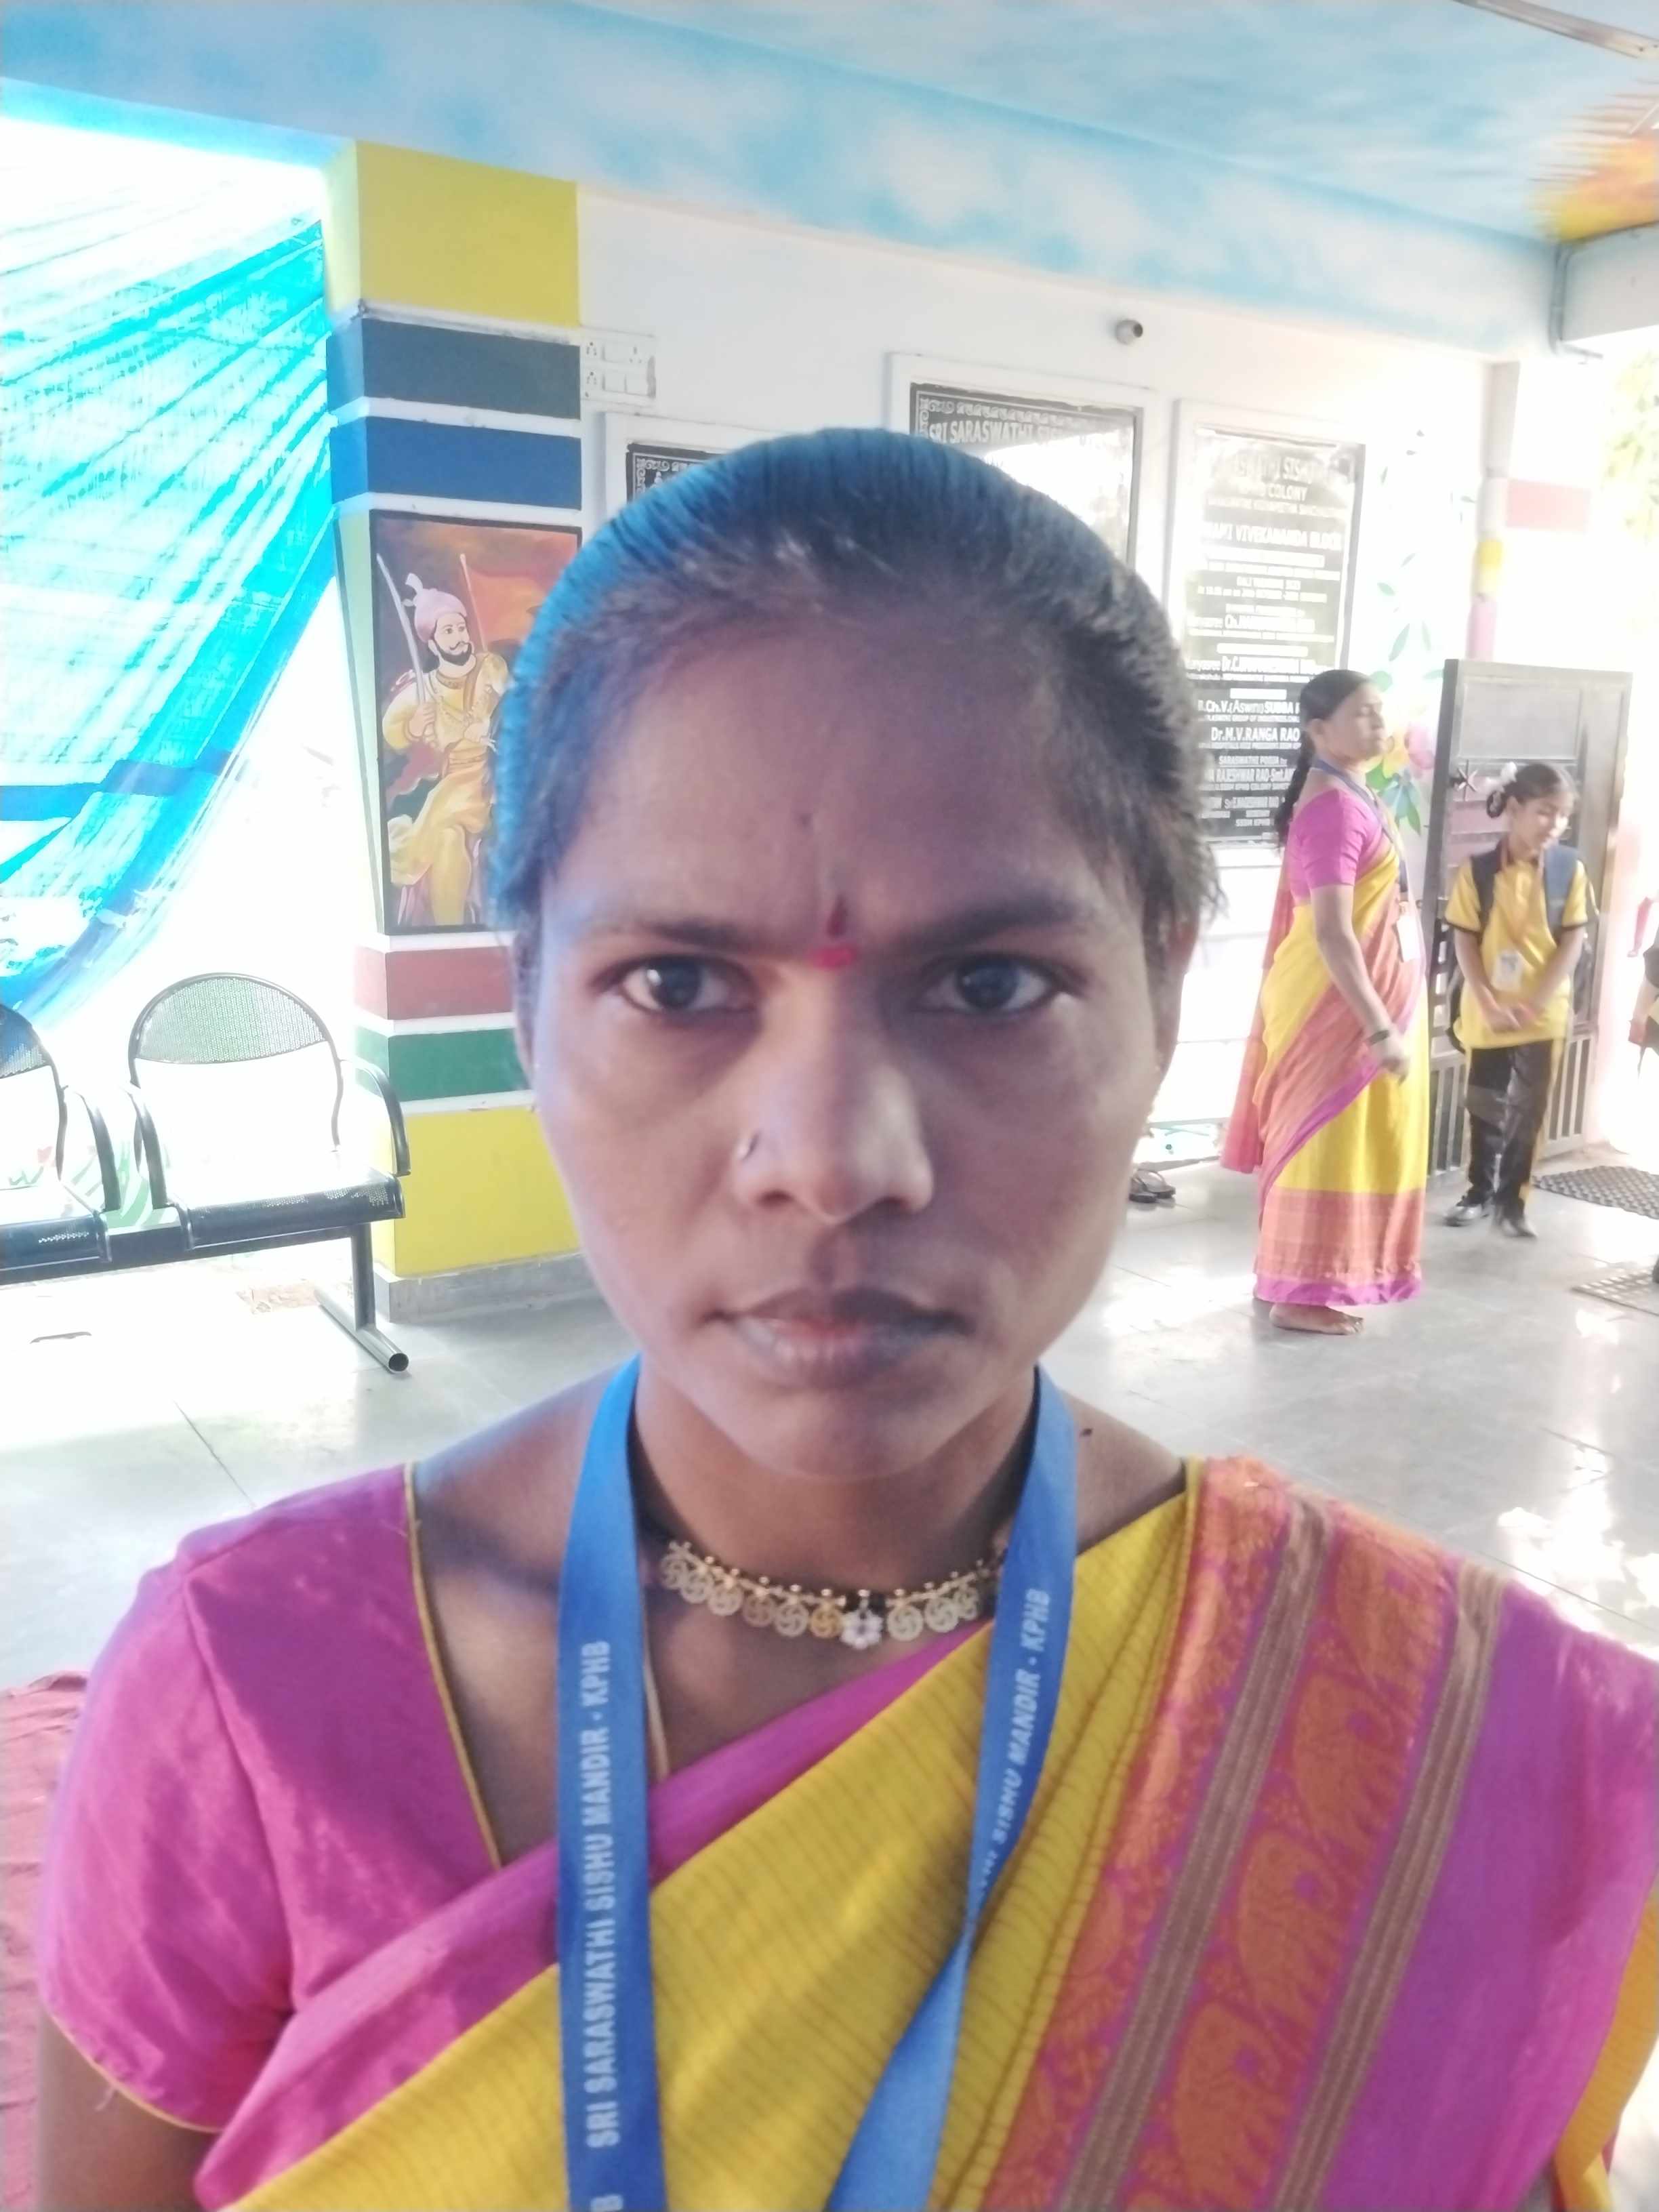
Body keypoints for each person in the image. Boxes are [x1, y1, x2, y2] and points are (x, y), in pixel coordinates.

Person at [35, 434, 1655, 2212]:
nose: (832, 1159)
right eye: (676, 984)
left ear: (1163, 985)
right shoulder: (254, 1695)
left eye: (990, 985)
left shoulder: (1428, 1741)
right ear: (526, 1009)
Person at [1222, 670, 1429, 1336]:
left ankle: (1297, 1276)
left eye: (1379, 711)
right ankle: (1301, 1293)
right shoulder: (1334, 807)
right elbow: (1335, 933)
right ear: (1318, 729)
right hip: (1332, 1007)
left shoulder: (1355, 792)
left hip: (1357, 1003)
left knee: (1347, 1139)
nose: (1378, 723)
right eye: (1362, 713)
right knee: (1325, 1139)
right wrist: (1377, 1028)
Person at [1443, 762, 1592, 1240]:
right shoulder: (1478, 871)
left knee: (1530, 1111)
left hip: (1542, 1014)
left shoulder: (1569, 870)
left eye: (1563, 815)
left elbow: (1573, 941)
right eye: (1545, 811)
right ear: (1514, 808)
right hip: (1489, 1011)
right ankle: (1478, 1193)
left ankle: (1513, 1202)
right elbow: (1465, 940)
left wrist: (1538, 1001)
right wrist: (1487, 1001)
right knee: (1485, 1104)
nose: (1555, 824)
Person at [380, 575, 508, 928]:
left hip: (496, 770)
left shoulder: (490, 667)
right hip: (456, 780)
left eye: (461, 628)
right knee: (448, 837)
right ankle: (452, 931)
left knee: (448, 821)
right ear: (433, 644)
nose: (459, 636)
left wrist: (493, 718)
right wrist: (412, 727)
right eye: (448, 631)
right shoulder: (423, 692)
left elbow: (516, 700)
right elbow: (391, 733)